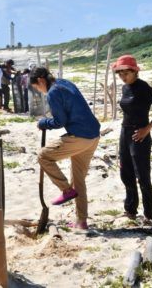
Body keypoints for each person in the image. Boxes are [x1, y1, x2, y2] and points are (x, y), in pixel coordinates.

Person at [30, 67, 100, 230]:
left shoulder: (53, 92)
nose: (39, 91)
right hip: (94, 135)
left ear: (41, 80)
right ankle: (81, 222)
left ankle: (66, 190)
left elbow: (60, 121)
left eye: (37, 87)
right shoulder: (65, 83)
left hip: (81, 136)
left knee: (43, 156)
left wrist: (44, 123)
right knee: (78, 180)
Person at [113, 55, 152, 223]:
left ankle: (149, 214)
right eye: (119, 73)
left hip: (140, 135)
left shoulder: (143, 87)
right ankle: (130, 210)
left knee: (142, 176)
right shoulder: (124, 88)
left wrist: (147, 129)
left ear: (134, 71)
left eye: (125, 73)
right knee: (125, 173)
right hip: (124, 133)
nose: (122, 76)